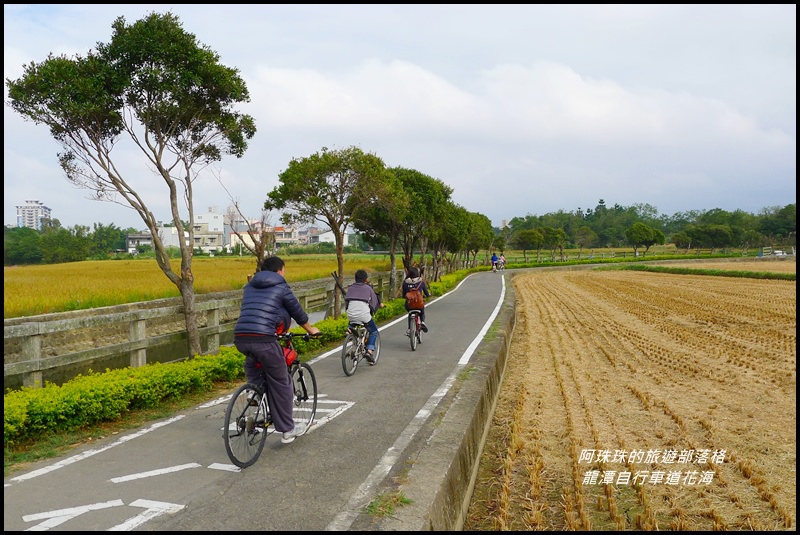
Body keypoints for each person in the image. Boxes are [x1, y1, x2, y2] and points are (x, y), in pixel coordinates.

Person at [233, 256, 320, 444]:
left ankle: (254, 392)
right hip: (264, 338)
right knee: (281, 381)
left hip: (241, 337)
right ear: (280, 270)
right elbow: (297, 311)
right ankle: (288, 430)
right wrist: (311, 330)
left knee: (253, 362)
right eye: (284, 270)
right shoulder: (281, 286)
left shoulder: (249, 286)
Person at [344, 269, 385, 363]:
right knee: (374, 331)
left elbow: (347, 303)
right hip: (363, 316)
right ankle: (369, 351)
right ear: (366, 279)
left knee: (352, 322)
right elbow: (374, 303)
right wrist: (378, 307)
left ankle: (349, 329)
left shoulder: (350, 288)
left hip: (351, 315)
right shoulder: (368, 289)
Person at [402, 266, 431, 333]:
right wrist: (428, 295)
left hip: (409, 305)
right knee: (422, 312)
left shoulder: (405, 283)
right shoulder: (421, 282)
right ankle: (423, 322)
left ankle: (409, 328)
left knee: (410, 313)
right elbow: (426, 293)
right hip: (419, 304)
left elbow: (403, 295)